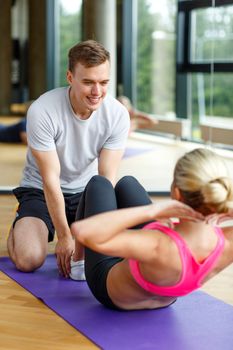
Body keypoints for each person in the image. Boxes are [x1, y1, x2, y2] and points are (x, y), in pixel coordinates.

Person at [7, 40, 130, 279]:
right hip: (40, 191)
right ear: (70, 77)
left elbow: (106, 180)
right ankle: (22, 221)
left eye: (103, 83)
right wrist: (64, 236)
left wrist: (99, 232)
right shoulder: (43, 110)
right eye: (88, 82)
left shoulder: (116, 115)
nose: (97, 92)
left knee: (114, 252)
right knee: (29, 260)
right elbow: (50, 178)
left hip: (86, 193)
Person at [71, 148, 233, 310]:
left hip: (112, 294)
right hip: (166, 297)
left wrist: (152, 211)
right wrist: (225, 209)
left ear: (177, 194)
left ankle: (78, 262)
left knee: (100, 184)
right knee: (128, 184)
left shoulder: (157, 244)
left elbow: (83, 231)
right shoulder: (227, 244)